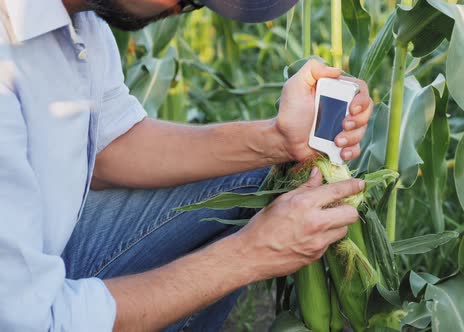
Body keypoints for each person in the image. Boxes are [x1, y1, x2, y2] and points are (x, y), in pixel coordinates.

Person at [0, 0, 374, 331]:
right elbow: (34, 321)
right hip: (26, 309)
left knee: (260, 178)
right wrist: (251, 254)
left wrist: (277, 141)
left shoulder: (81, 19)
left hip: (40, 263)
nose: (182, 10)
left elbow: (109, 146)